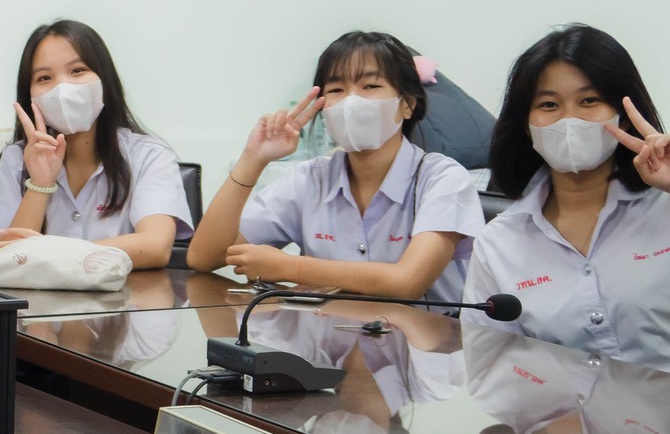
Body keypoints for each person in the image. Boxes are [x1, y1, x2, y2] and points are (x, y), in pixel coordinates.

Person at [463, 25, 670, 378]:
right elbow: (489, 366)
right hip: (566, 419)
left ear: (623, 114)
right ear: (526, 124)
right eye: (548, 105)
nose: (569, 120)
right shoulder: (500, 241)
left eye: (589, 101)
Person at [187, 30, 485, 301]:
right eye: (337, 90)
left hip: (424, 350)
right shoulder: (312, 178)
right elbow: (204, 258)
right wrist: (253, 160)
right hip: (329, 346)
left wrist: (291, 268)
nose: (352, 102)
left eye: (370, 85)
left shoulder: (442, 179)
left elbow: (406, 282)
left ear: (407, 104)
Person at [0, 20, 192, 268]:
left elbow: (155, 247)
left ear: (105, 79)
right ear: (30, 96)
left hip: (127, 302)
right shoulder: (17, 158)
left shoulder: (150, 155)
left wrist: (50, 251)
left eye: (77, 71)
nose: (62, 88)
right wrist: (39, 183)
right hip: (38, 306)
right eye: (44, 77)